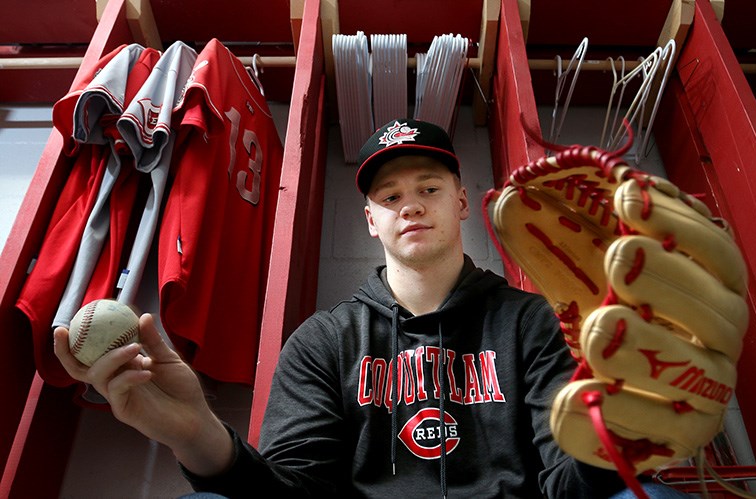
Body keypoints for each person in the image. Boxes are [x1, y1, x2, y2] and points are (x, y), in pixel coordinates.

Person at [54, 118, 691, 498]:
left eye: (428, 188)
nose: (409, 205)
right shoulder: (322, 342)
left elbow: (564, 485)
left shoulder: (530, 323)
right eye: (390, 196)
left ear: (461, 203)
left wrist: (618, 431)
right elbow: (292, 495)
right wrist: (197, 436)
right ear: (370, 220)